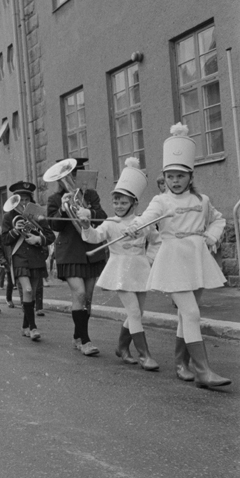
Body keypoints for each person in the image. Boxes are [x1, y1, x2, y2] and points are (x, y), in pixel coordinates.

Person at [126, 123, 230, 387]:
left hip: (196, 258)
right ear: (164, 178)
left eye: (180, 176)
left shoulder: (202, 201)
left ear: (190, 177)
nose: (175, 181)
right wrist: (134, 227)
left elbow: (219, 220)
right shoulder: (161, 202)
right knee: (192, 313)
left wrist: (210, 236)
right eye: (170, 176)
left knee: (186, 315)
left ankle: (182, 364)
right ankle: (203, 372)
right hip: (172, 259)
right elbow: (146, 219)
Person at [79, 158, 160, 371]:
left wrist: (149, 259)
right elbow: (94, 238)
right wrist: (86, 226)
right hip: (119, 272)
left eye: (123, 203)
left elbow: (156, 242)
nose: (118, 206)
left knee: (138, 313)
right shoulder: (110, 223)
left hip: (140, 269)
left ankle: (122, 348)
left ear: (134, 203)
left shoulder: (144, 222)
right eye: (115, 202)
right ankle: (145, 356)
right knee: (133, 312)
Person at [46, 158, 107, 356]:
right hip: (70, 252)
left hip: (90, 250)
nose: (72, 179)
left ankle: (78, 335)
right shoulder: (55, 199)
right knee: (79, 294)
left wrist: (89, 210)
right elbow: (54, 226)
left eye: (75, 174)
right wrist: (64, 209)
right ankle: (86, 341)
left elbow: (102, 217)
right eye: (69, 175)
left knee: (87, 298)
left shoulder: (91, 195)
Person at [2, 181, 55, 342]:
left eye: (26, 199)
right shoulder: (9, 216)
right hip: (19, 257)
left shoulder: (37, 214)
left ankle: (25, 325)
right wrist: (15, 230)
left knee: (31, 293)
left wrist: (38, 238)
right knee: (28, 290)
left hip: (36, 257)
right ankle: (33, 328)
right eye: (20, 199)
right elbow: (4, 239)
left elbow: (50, 236)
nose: (23, 203)